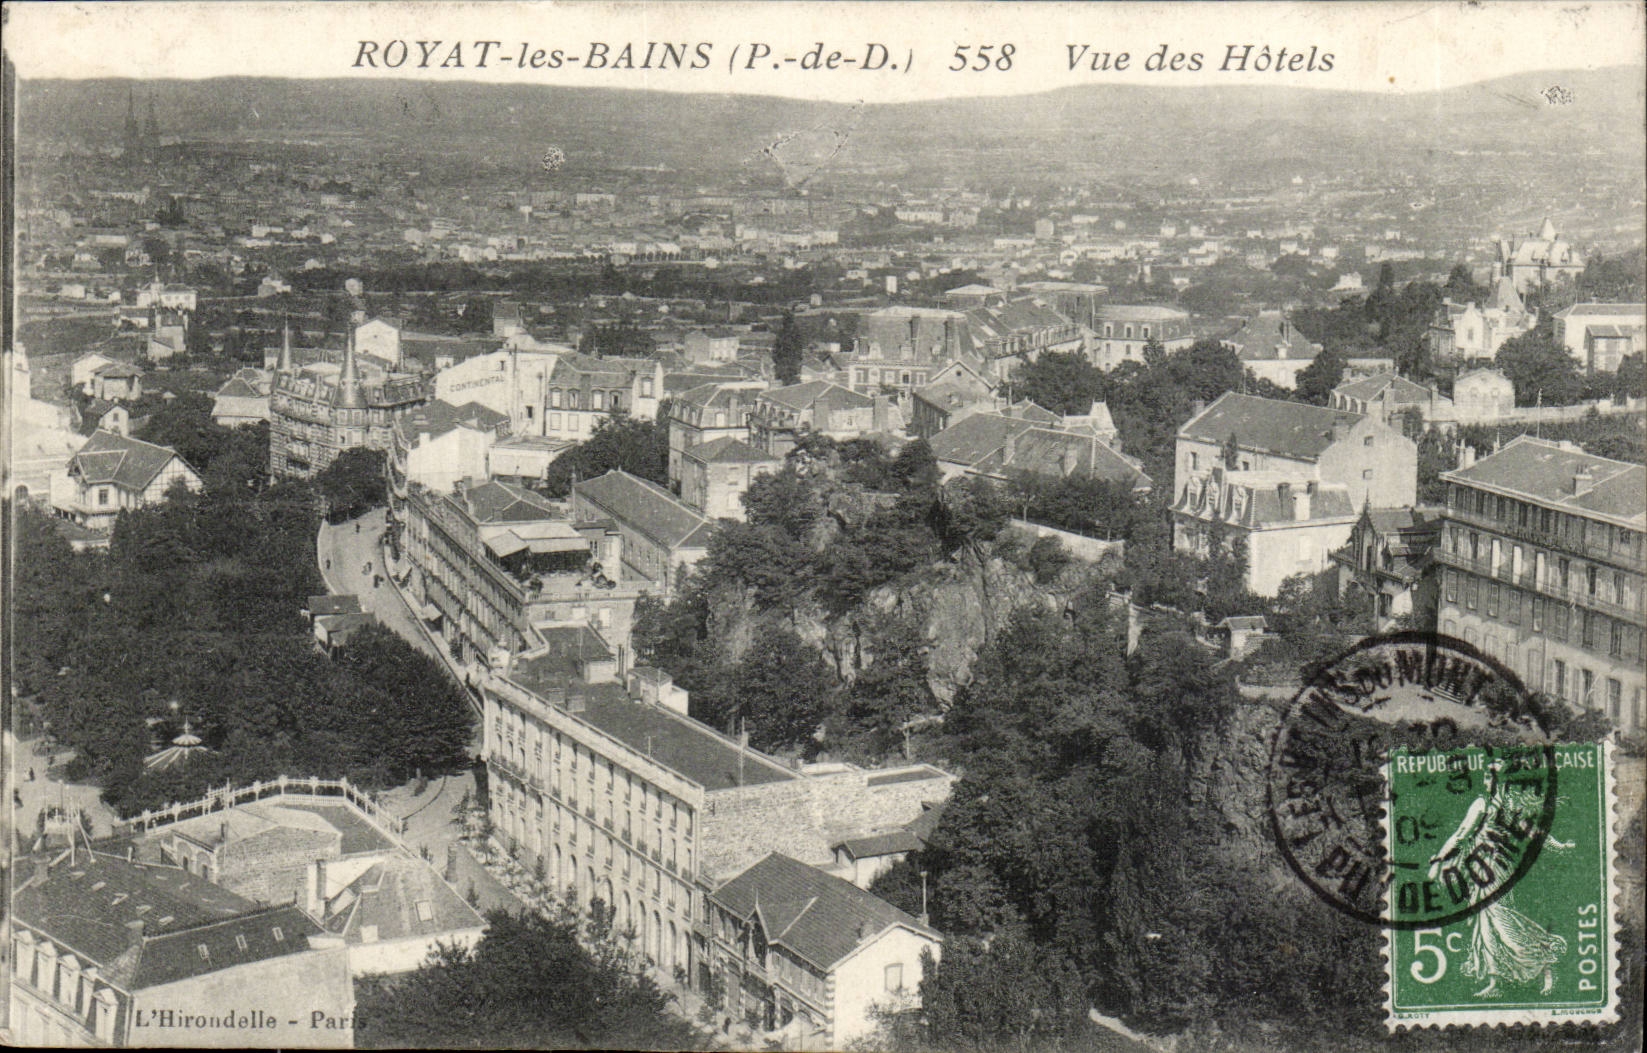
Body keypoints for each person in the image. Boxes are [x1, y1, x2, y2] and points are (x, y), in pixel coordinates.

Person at [1428, 758, 1571, 997]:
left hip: (1496, 871)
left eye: (1494, 777)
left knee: (1499, 920)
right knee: (1486, 923)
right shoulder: (1485, 804)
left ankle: (1543, 958)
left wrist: (1560, 846)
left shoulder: (1505, 808)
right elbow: (1462, 834)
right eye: (1487, 776)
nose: (1489, 782)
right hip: (1478, 871)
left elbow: (1535, 833)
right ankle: (1497, 981)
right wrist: (1440, 859)